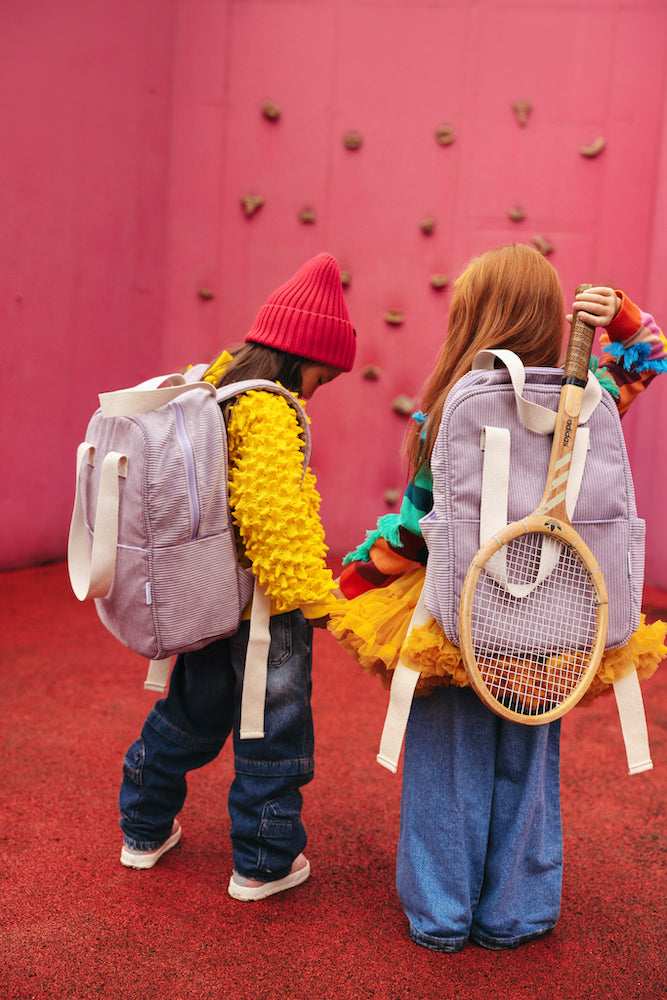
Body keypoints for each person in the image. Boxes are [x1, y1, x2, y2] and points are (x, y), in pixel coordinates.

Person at [329, 243, 666, 951]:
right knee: (527, 763)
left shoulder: (451, 410)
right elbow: (651, 356)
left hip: (464, 620)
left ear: (473, 322)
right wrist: (625, 319)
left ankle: (442, 914)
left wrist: (355, 575)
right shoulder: (587, 396)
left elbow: (417, 529)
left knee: (447, 766)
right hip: (556, 622)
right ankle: (517, 912)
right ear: (548, 319)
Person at [119, 251, 356, 901]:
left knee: (190, 713)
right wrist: (314, 600)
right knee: (273, 729)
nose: (316, 391)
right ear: (299, 358)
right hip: (264, 606)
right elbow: (274, 516)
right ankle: (262, 861)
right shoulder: (269, 409)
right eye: (320, 377)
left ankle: (142, 827)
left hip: (203, 594)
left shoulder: (211, 386)